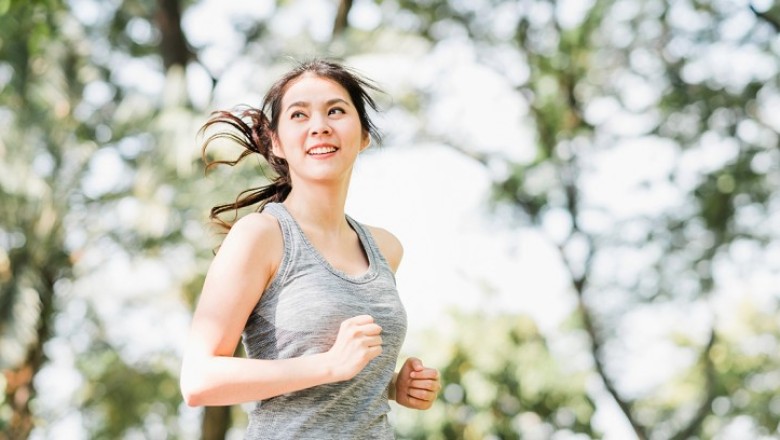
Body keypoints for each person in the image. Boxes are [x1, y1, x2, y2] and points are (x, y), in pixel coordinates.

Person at [179, 59, 441, 439]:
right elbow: (199, 379)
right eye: (299, 115)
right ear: (277, 142)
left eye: (336, 110)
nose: (320, 125)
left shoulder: (386, 247)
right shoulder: (261, 236)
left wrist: (392, 383)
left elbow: (338, 373)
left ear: (364, 134)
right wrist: (329, 365)